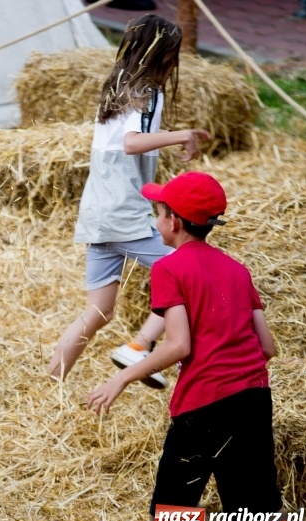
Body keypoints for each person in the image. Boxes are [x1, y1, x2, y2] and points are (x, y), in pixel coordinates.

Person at [87, 171, 296, 521]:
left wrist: (122, 377)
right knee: (268, 514)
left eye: (158, 211)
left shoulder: (169, 268)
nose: (155, 220)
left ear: (175, 222)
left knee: (166, 520)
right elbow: (267, 348)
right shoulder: (237, 269)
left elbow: (179, 345)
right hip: (252, 399)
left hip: (204, 405)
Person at [46, 14, 210, 387]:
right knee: (189, 272)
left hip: (98, 214)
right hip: (123, 212)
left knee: (98, 311)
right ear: (163, 57)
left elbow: (129, 139)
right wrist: (181, 134)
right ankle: (139, 345)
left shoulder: (118, 85)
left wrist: (171, 135)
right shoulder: (149, 92)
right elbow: (132, 142)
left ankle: (50, 386)